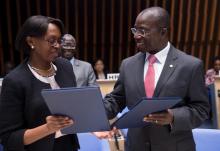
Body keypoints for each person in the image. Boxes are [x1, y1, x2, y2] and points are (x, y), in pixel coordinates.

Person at [95, 7, 210, 151]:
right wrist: (92, 113)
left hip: (174, 146)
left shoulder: (190, 66)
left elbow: (202, 109)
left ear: (163, 31)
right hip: (136, 146)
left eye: (143, 31)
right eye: (135, 30)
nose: (136, 36)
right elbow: (117, 99)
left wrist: (173, 117)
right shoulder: (128, 64)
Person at [0, 16, 79, 151]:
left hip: (68, 144)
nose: (58, 46)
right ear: (31, 41)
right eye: (51, 40)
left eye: (59, 41)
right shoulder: (14, 81)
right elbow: (9, 138)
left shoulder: (65, 66)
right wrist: (47, 128)